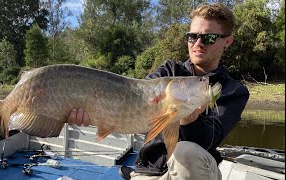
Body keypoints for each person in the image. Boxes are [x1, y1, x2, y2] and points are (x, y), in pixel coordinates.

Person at [68, 3, 249, 180]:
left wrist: (188, 119)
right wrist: (89, 110)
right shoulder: (168, 71)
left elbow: (210, 140)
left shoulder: (234, 91)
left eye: (208, 38)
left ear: (227, 41)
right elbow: (134, 97)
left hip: (194, 171)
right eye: (192, 36)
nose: (198, 43)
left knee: (187, 152)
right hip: (149, 171)